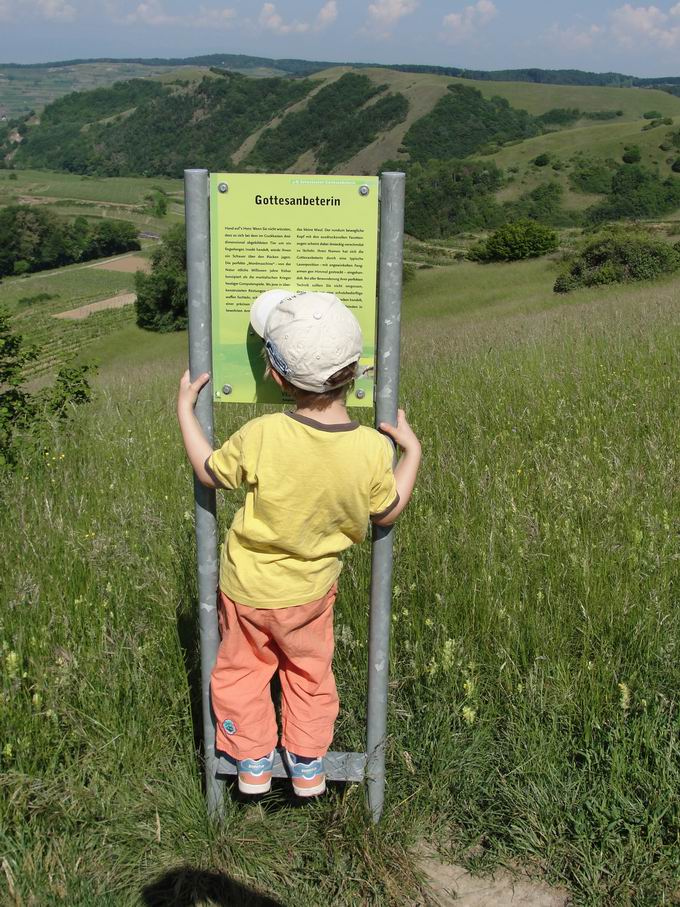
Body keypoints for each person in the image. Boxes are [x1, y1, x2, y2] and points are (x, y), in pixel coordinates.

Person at [177, 290, 421, 797]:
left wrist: (184, 409)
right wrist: (412, 453)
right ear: (355, 370)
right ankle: (308, 763)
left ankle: (251, 762)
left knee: (242, 673)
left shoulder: (261, 433)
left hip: (246, 590)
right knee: (310, 674)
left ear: (276, 376)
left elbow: (209, 471)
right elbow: (387, 509)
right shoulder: (371, 449)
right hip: (311, 594)